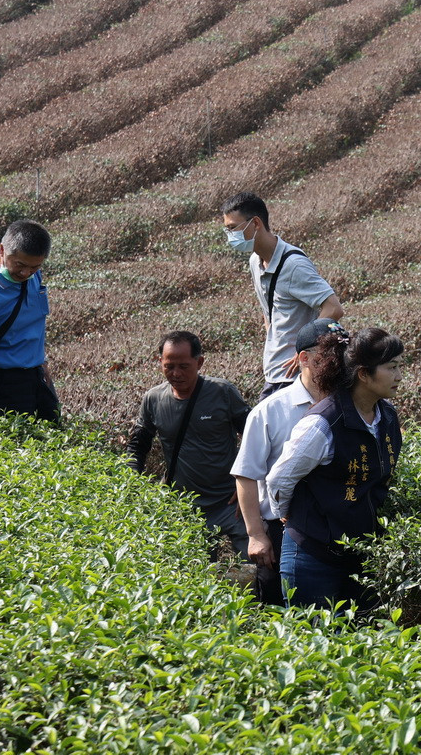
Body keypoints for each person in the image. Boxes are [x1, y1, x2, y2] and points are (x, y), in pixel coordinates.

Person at [266, 327, 404, 609]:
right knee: (313, 641)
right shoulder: (322, 423)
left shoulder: (386, 416)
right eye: (391, 368)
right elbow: (280, 478)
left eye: (400, 367)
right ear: (364, 374)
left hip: (360, 553)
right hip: (312, 553)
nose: (399, 376)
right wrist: (286, 515)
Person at [231, 318, 343, 605]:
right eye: (327, 357)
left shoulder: (351, 406)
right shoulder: (270, 411)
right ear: (304, 359)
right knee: (279, 613)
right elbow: (246, 475)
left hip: (337, 530)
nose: (337, 364)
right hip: (282, 531)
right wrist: (256, 534)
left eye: (343, 356)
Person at [127, 331, 250, 558]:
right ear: (160, 363)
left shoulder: (223, 393)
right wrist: (133, 486)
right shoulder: (154, 399)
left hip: (230, 504)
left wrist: (247, 483)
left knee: (258, 567)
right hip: (183, 507)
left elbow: (255, 438)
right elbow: (137, 447)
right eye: (169, 366)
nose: (176, 373)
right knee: (198, 576)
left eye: (184, 366)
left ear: (199, 362)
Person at [221, 192, 344, 401]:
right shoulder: (255, 261)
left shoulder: (294, 265)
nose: (230, 235)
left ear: (256, 223)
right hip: (274, 371)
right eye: (227, 229)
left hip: (298, 377)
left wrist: (306, 349)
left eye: (233, 228)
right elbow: (268, 313)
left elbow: (333, 308)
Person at [0, 219, 58, 422]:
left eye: (34, 267)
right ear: (2, 249)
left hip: (36, 378)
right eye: (19, 264)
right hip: (1, 383)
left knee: (52, 440)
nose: (25, 273)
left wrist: (41, 364)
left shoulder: (32, 277)